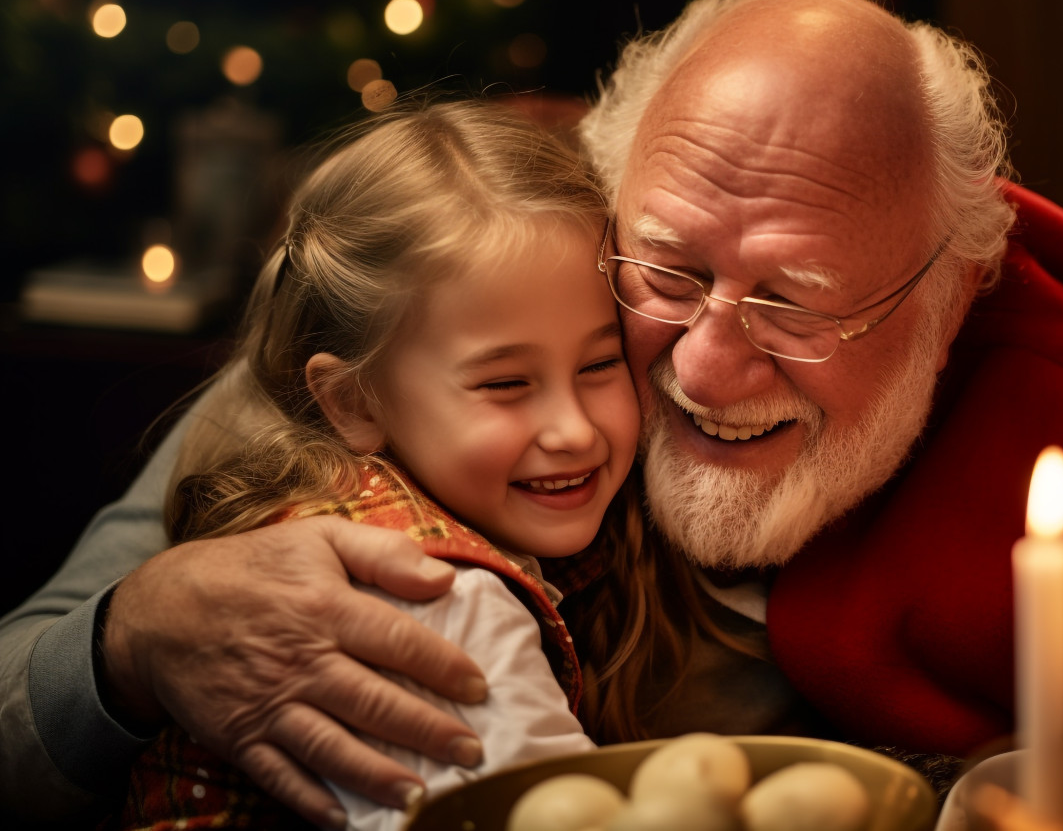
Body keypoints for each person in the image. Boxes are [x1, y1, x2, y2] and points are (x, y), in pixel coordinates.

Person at [0, 0, 1063, 828]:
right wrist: (136, 634)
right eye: (664, 272)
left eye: (797, 300)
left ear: (954, 289)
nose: (703, 366)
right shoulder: (437, 328)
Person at [93, 98, 668, 830]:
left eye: (600, 362)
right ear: (352, 402)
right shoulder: (436, 597)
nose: (573, 430)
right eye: (504, 383)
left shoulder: (352, 489)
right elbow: (555, 813)